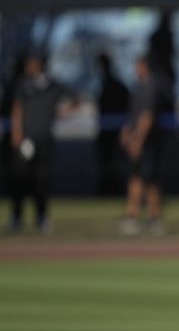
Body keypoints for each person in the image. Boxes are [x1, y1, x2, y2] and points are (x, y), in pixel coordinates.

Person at [8, 53, 80, 233]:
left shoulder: (53, 86)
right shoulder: (23, 85)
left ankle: (41, 217)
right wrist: (17, 133)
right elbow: (17, 108)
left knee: (42, 180)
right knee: (20, 178)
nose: (28, 67)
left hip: (44, 139)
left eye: (32, 63)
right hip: (25, 139)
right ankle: (17, 217)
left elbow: (76, 100)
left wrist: (61, 113)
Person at [119, 56, 164, 236]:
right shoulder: (139, 86)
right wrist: (127, 131)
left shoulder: (149, 86)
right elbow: (134, 114)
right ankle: (135, 215)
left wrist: (138, 140)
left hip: (148, 141)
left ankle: (152, 217)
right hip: (140, 139)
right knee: (138, 176)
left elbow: (147, 117)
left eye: (138, 66)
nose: (135, 69)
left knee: (148, 178)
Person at [95, 53, 130, 196]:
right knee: (106, 162)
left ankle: (112, 188)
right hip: (105, 130)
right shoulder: (106, 84)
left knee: (113, 162)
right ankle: (108, 188)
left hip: (114, 130)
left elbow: (127, 104)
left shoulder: (115, 85)